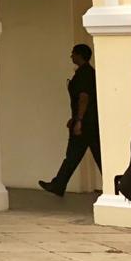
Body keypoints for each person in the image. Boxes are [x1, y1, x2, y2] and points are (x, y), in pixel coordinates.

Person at [39, 44, 102, 197]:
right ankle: (58, 184)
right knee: (81, 155)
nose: (71, 56)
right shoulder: (87, 73)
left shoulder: (84, 74)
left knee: (77, 155)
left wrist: (79, 120)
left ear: (80, 55)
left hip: (86, 123)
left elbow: (83, 98)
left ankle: (58, 184)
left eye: (73, 53)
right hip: (89, 122)